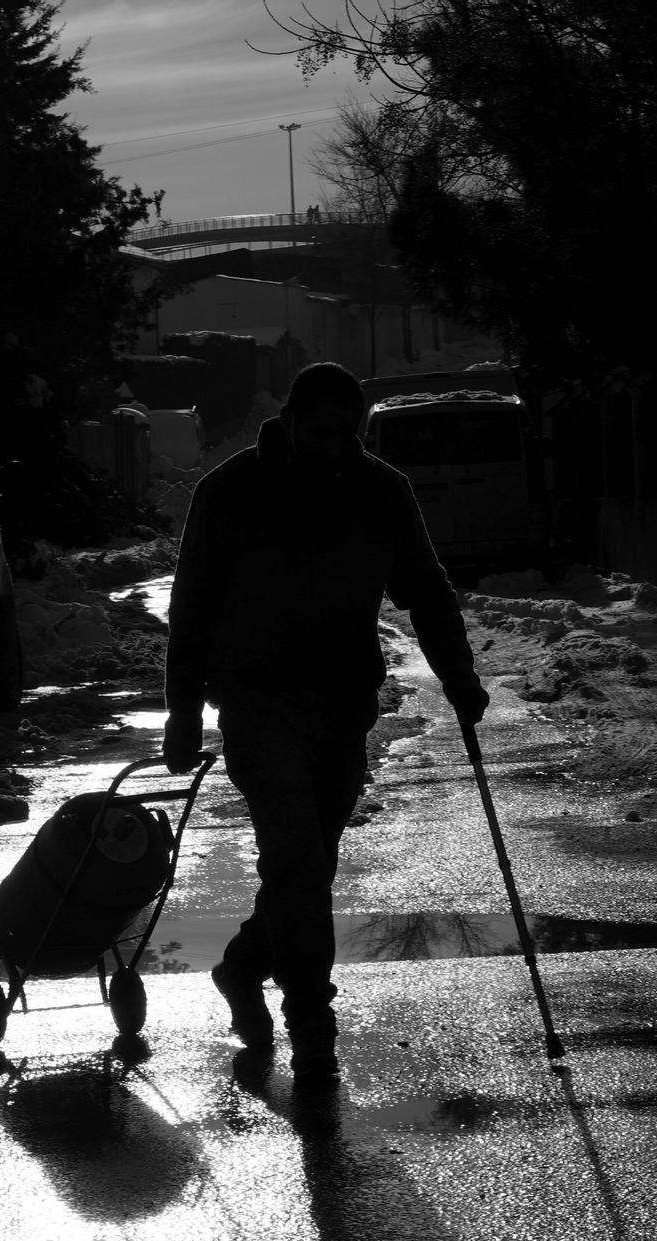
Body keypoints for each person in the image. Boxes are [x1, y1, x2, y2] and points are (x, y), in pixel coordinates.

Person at [163, 361, 489, 1081]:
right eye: (323, 433)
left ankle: (246, 964)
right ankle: (311, 1015)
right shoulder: (228, 493)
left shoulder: (382, 492)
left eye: (350, 435)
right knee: (297, 863)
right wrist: (182, 713)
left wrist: (459, 675)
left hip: (342, 709)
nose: (337, 449)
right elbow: (190, 612)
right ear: (289, 422)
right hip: (258, 705)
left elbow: (427, 592)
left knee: (308, 872)